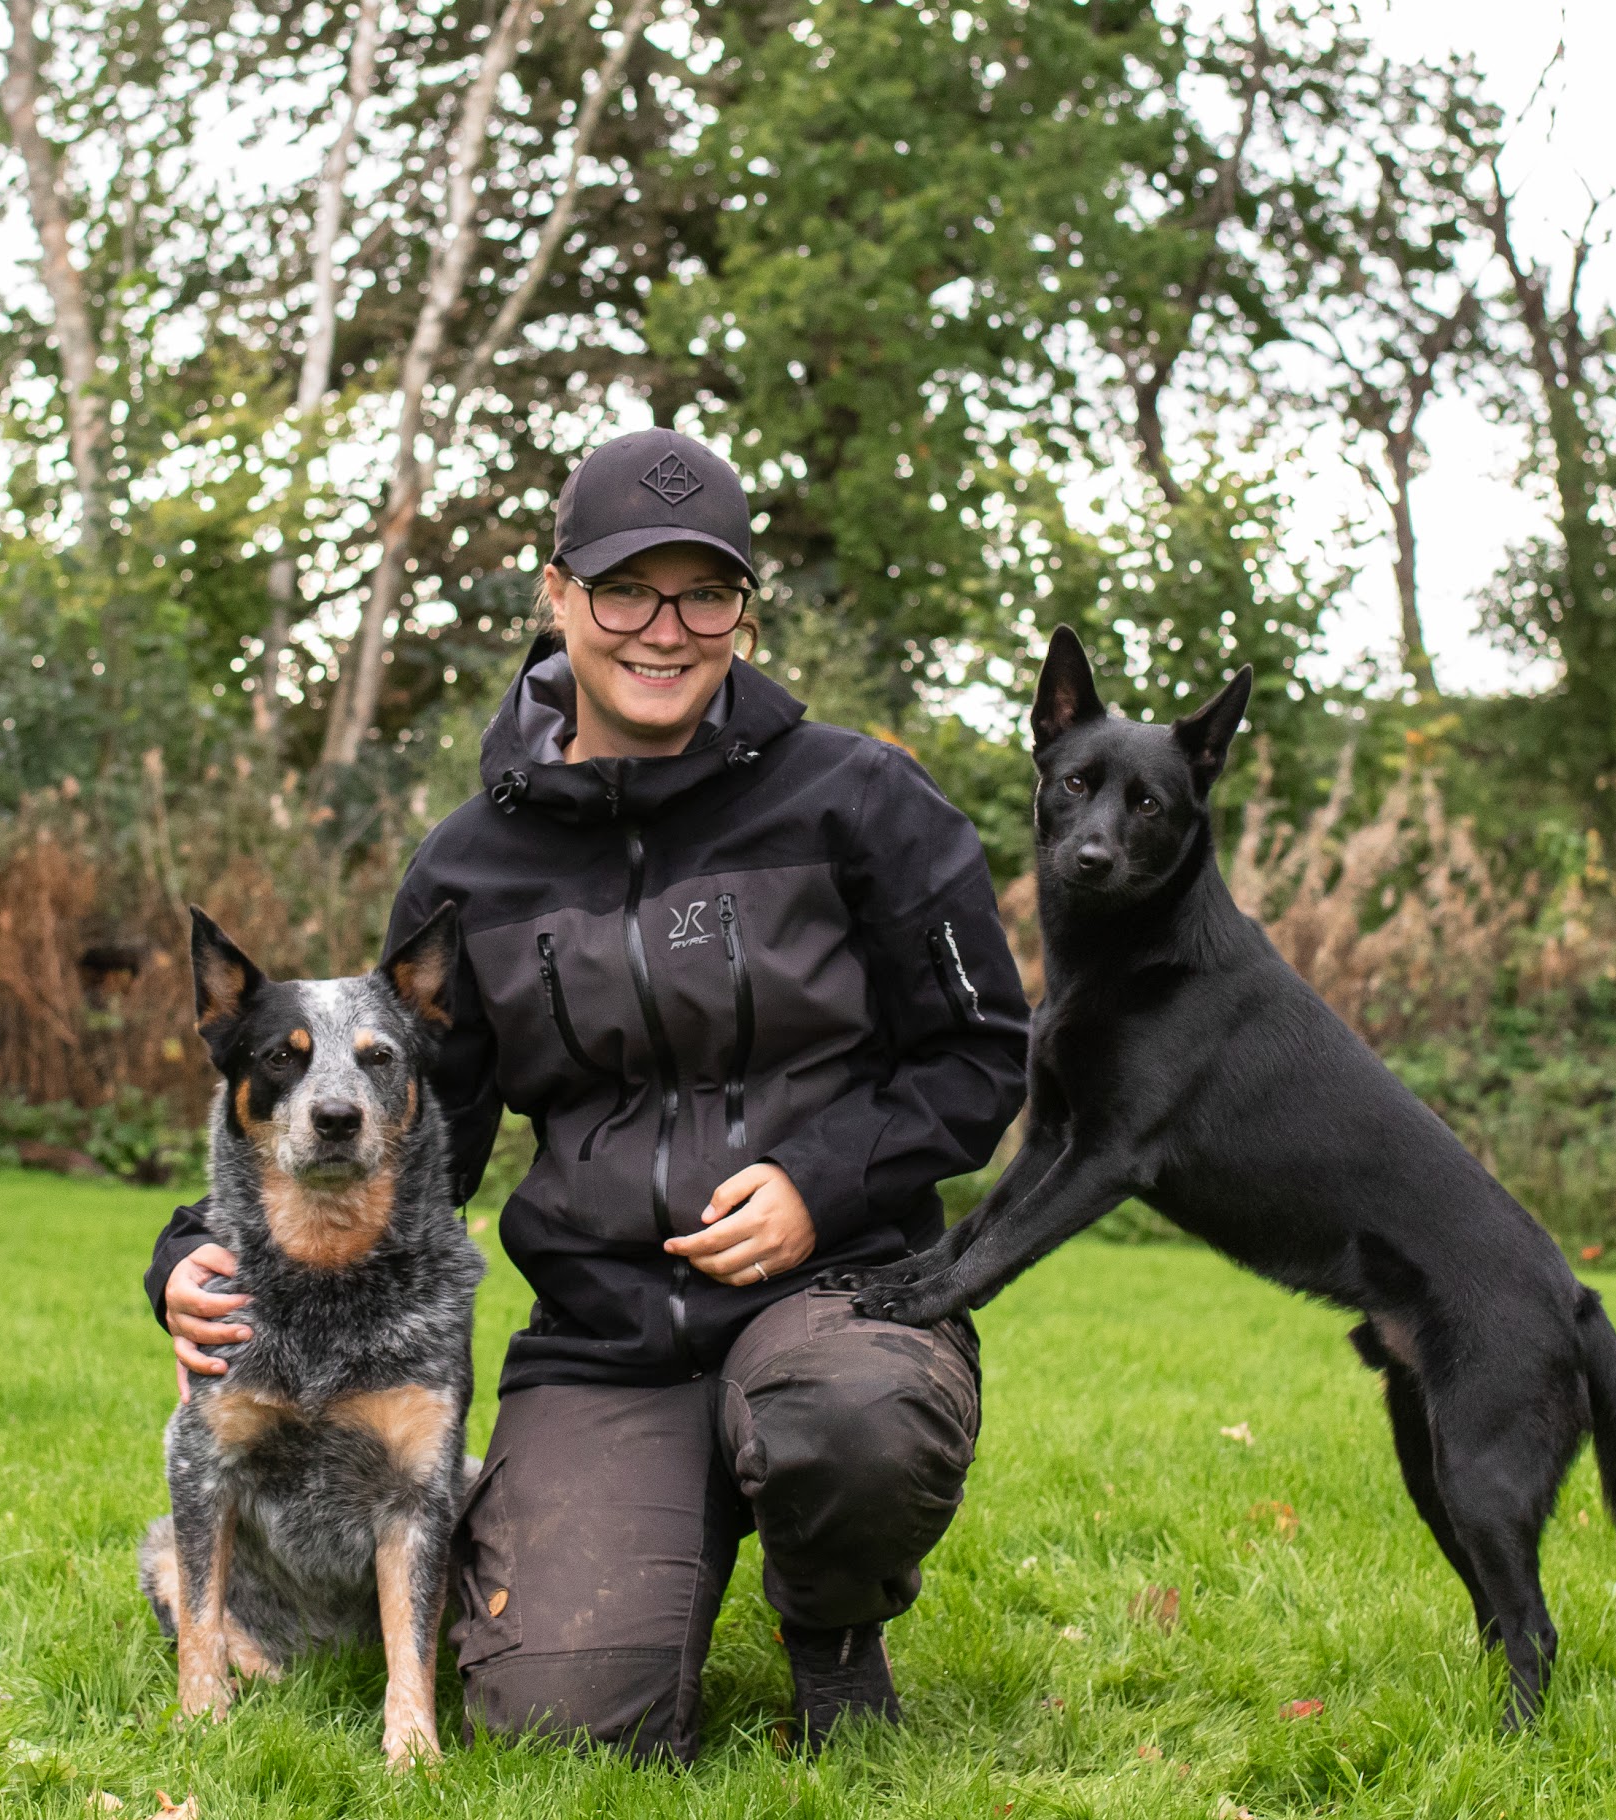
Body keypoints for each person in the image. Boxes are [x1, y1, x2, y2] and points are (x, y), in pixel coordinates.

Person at [143, 428, 1029, 1762]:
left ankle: (832, 1627)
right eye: (625, 590)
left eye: (703, 594)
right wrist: (195, 1258)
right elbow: (399, 1126)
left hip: (838, 1289)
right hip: (609, 1341)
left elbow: (981, 1049)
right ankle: (646, 1541)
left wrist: (819, 1181)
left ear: (741, 608)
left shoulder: (861, 798)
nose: (662, 630)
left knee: (846, 1419)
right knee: (565, 1726)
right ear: (557, 593)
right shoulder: (467, 865)